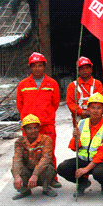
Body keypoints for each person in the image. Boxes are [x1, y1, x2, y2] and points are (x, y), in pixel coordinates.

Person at [57, 92, 103, 197]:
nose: (95, 111)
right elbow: (74, 148)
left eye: (99, 108)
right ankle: (82, 183)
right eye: (93, 107)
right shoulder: (81, 123)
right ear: (88, 108)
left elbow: (102, 153)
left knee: (100, 173)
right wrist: (76, 138)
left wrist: (86, 169)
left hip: (100, 162)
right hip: (83, 159)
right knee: (62, 168)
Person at [16, 52, 61, 188]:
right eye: (34, 66)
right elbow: (20, 105)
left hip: (47, 125)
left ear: (44, 67)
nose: (37, 68)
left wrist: (45, 116)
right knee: (27, 154)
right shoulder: (23, 85)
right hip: (29, 127)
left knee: (49, 152)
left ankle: (52, 178)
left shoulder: (52, 84)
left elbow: (55, 103)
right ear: (30, 67)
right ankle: (27, 180)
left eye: (40, 66)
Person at [11, 114, 57, 199]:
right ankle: (25, 190)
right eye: (29, 128)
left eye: (35, 127)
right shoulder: (19, 142)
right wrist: (17, 176)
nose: (33, 131)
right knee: (16, 169)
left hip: (40, 172)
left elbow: (46, 159)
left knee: (49, 168)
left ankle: (46, 188)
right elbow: (17, 159)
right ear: (24, 130)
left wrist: (35, 175)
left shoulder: (46, 139)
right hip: (28, 170)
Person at [66, 57, 103, 126]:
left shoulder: (97, 84)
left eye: (87, 68)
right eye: (82, 68)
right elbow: (70, 103)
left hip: (95, 117)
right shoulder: (72, 86)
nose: (85, 70)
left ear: (91, 69)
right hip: (78, 118)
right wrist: (81, 112)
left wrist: (92, 112)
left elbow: (101, 102)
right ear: (78, 70)